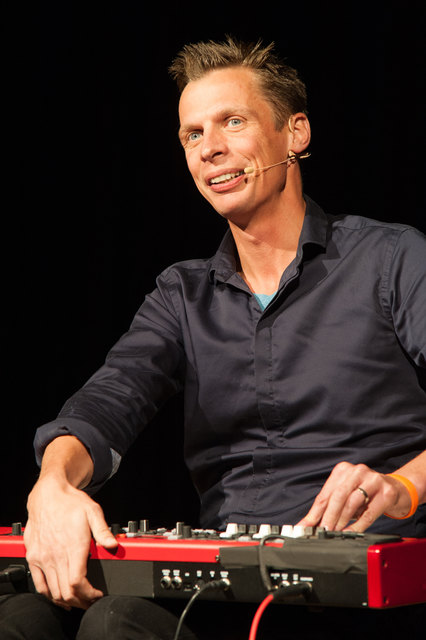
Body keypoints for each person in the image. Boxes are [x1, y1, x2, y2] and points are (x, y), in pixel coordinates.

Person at [1, 36, 425, 639]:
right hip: (230, 595)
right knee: (21, 616)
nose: (210, 148)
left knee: (114, 624)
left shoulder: (391, 258)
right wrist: (53, 483)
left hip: (372, 592)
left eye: (233, 122)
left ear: (295, 132)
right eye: (192, 135)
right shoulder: (182, 293)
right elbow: (109, 400)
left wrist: (404, 486)